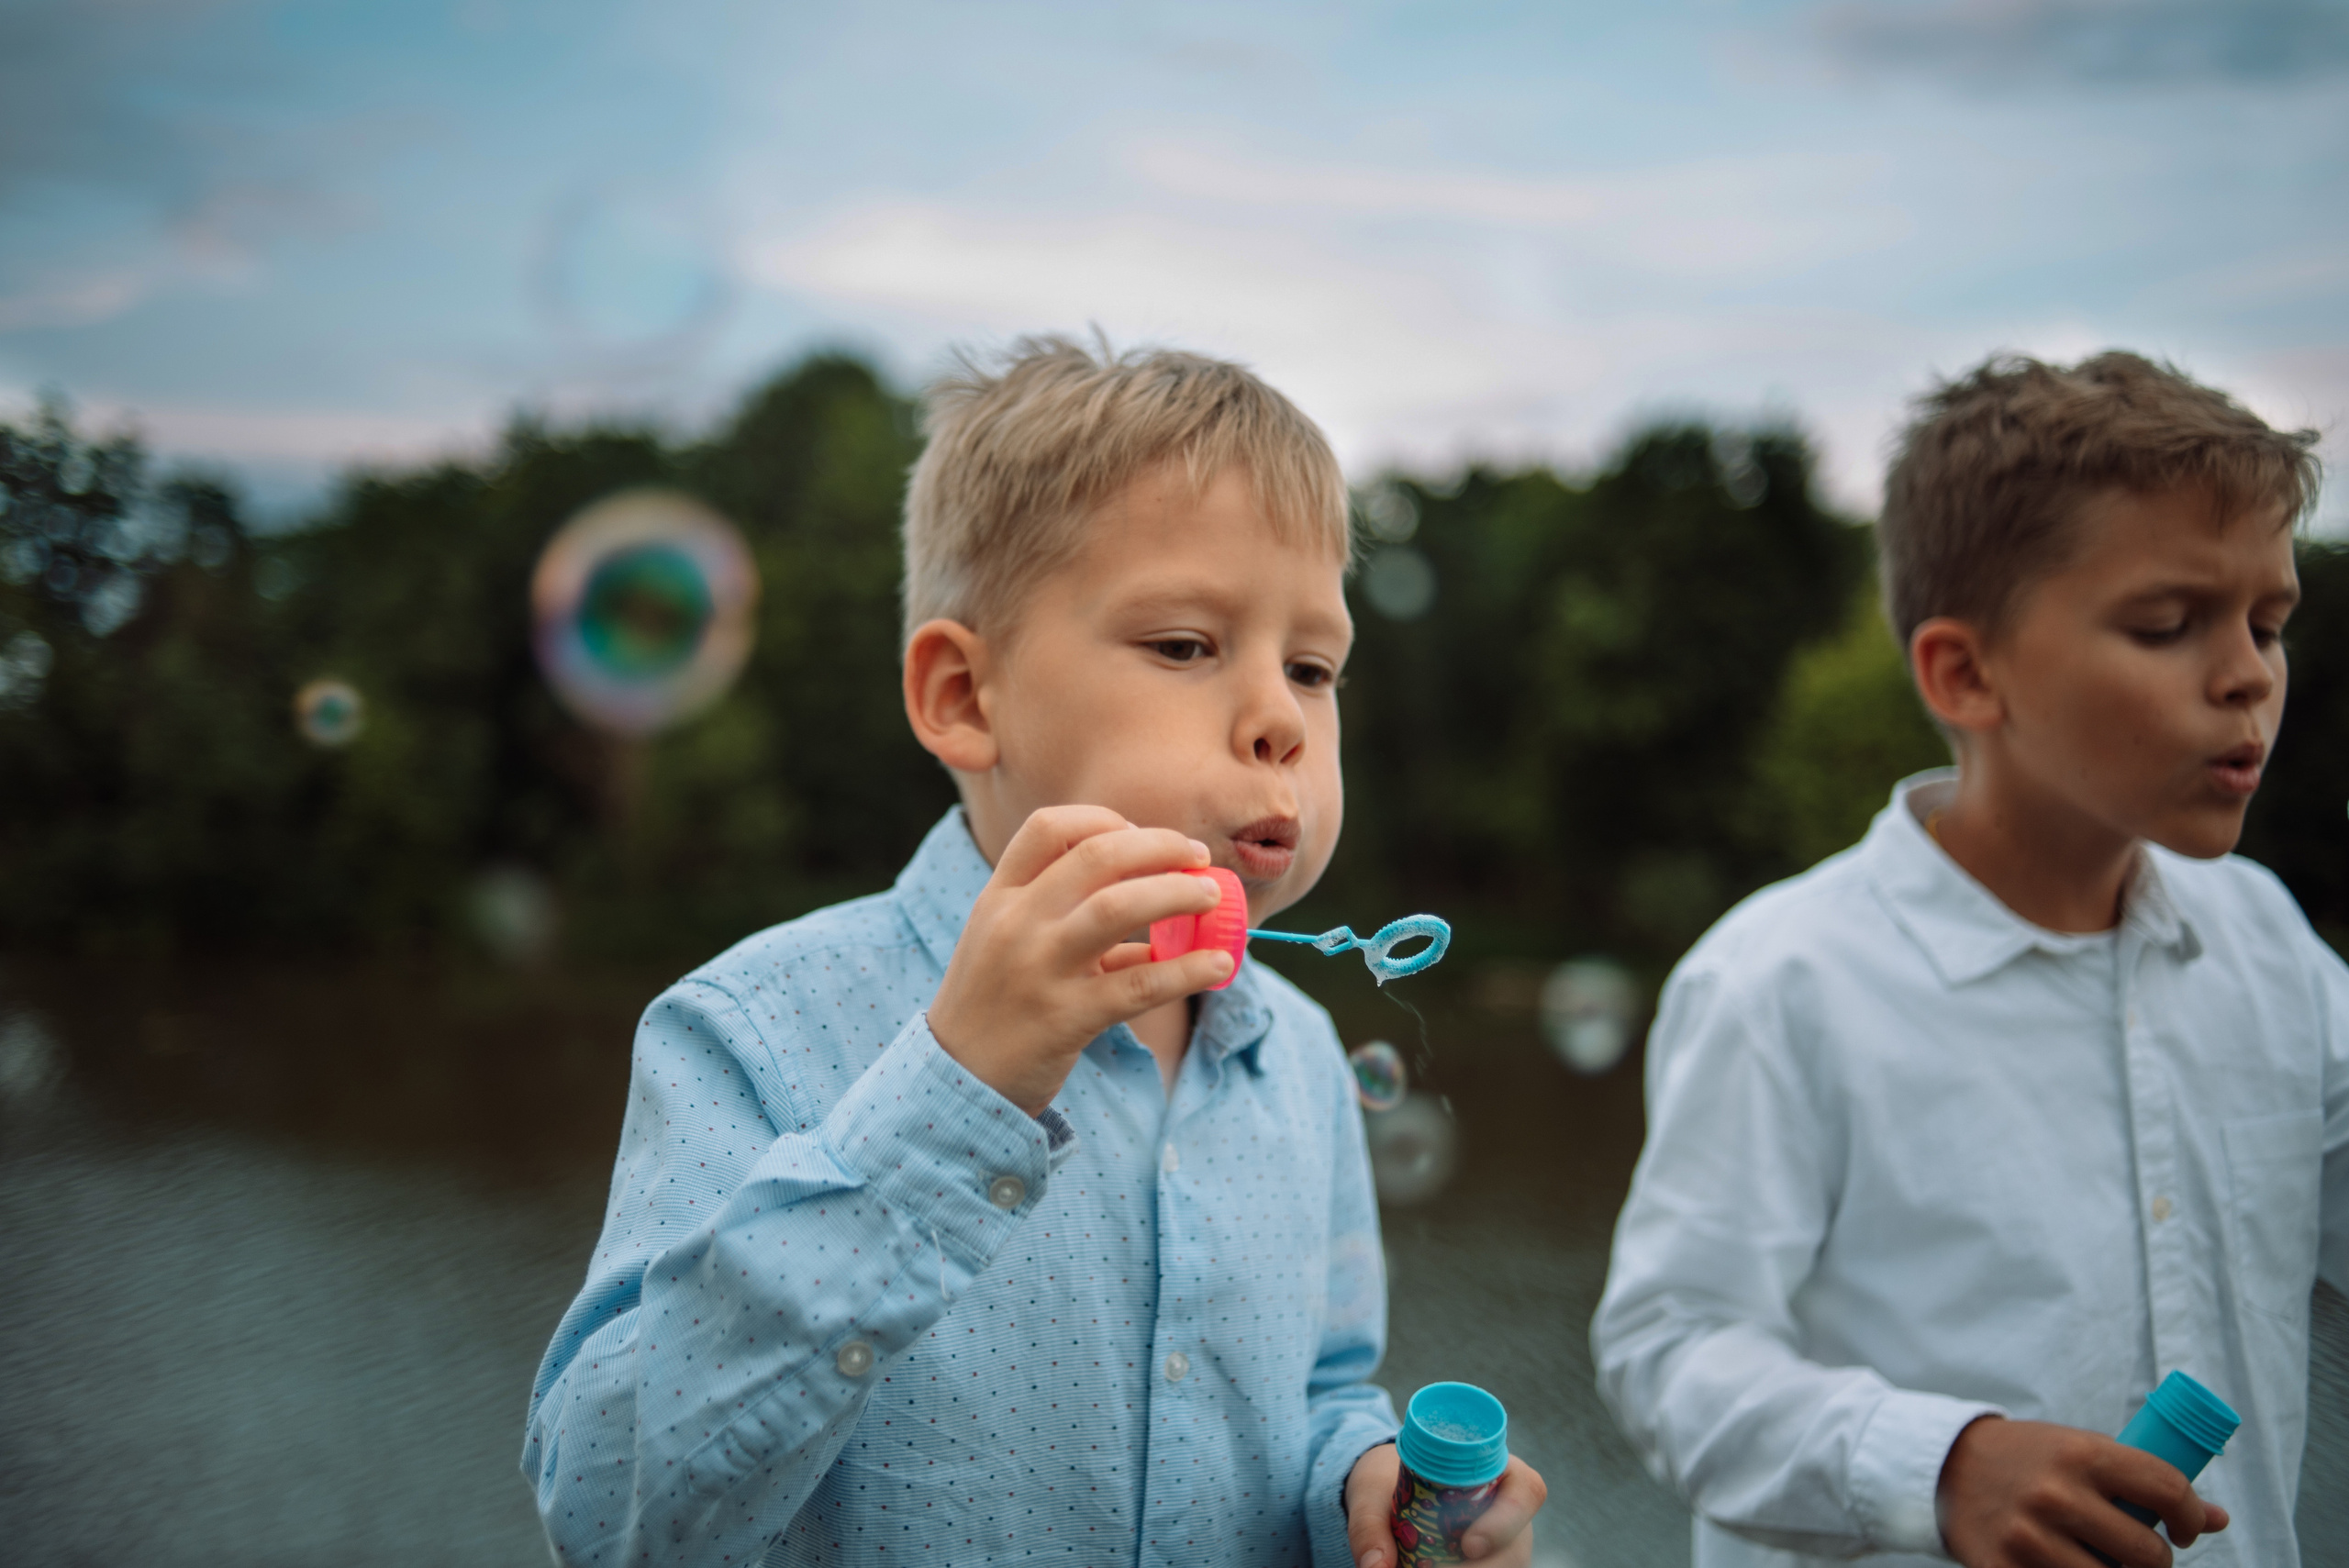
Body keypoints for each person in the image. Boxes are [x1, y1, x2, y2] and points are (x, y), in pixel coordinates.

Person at [523, 336, 1546, 1567]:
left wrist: (1362, 1487)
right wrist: (959, 1086)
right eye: (1184, 644)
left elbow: (1322, 1388)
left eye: (1313, 665)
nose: (1282, 716)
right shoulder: (754, 1027)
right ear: (965, 695)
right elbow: (611, 1514)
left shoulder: (1305, 1056)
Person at [1593, 350, 2343, 1568]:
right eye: (2169, 623)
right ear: (1964, 671)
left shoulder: (2271, 947)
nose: (2249, 673)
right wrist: (1940, 1461)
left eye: (2270, 622)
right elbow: (1671, 1352)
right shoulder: (1784, 981)